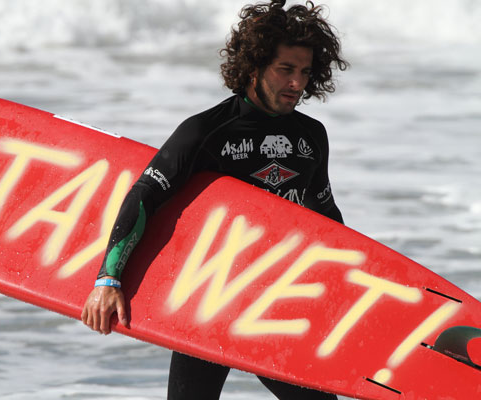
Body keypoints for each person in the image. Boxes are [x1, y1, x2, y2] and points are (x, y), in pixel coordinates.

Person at [82, 0, 348, 398]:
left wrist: (347, 290)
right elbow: (145, 195)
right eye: (286, 69)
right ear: (254, 66)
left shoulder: (311, 137)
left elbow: (325, 215)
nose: (297, 83)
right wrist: (108, 278)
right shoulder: (206, 132)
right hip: (210, 300)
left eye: (305, 72)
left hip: (272, 303)